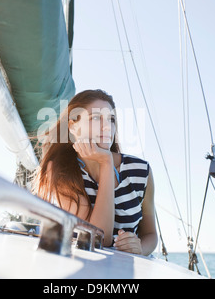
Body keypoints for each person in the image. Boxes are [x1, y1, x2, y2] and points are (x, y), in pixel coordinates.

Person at [33, 89, 157, 256]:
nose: (107, 127)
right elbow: (98, 237)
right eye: (96, 118)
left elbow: (150, 234)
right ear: (73, 127)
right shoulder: (61, 170)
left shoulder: (141, 172)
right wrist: (106, 162)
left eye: (111, 119)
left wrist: (140, 248)